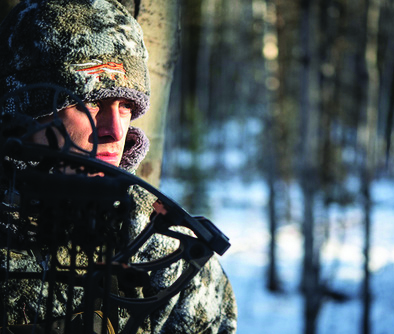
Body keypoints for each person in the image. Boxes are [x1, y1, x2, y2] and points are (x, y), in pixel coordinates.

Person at [0, 0, 237, 333]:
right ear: (25, 113)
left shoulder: (162, 244)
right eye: (92, 102)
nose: (114, 131)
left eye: (126, 106)